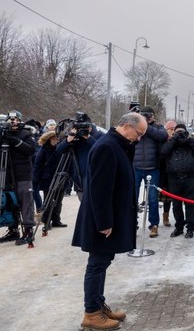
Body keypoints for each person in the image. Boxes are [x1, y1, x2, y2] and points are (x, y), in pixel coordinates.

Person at [72, 112, 147, 331]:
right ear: (127, 126)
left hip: (109, 217)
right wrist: (104, 222)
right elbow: (99, 189)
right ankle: (91, 313)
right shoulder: (107, 147)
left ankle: (98, 305)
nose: (139, 138)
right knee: (97, 264)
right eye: (139, 133)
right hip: (102, 220)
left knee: (103, 262)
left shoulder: (118, 145)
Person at [160, 124, 194, 239]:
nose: (180, 135)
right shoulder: (170, 143)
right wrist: (174, 139)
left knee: (189, 205)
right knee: (176, 205)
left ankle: (190, 228)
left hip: (189, 178)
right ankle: (179, 227)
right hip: (173, 178)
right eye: (177, 132)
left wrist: (188, 139)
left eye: (182, 132)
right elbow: (163, 152)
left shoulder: (191, 143)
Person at [0, 110, 37, 245]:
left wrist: (15, 141)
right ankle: (13, 229)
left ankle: (28, 231)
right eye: (10, 120)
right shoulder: (3, 134)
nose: (13, 122)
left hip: (23, 175)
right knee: (10, 202)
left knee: (26, 203)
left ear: (20, 121)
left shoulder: (26, 134)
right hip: (7, 176)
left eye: (16, 119)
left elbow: (31, 150)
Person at [131, 107, 167, 238]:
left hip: (153, 168)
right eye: (144, 115)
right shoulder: (135, 125)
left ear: (153, 116)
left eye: (149, 115)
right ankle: (132, 224)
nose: (147, 117)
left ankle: (154, 225)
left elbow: (163, 136)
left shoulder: (158, 127)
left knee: (152, 199)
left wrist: (146, 126)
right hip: (136, 167)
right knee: (132, 198)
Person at [56, 115, 100, 201]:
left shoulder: (98, 135)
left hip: (94, 178)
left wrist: (88, 137)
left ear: (90, 126)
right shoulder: (75, 138)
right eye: (79, 127)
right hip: (79, 180)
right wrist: (68, 140)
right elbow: (59, 150)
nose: (81, 129)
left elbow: (102, 150)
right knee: (83, 205)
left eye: (84, 127)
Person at [33, 130, 66, 228]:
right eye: (53, 139)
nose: (56, 141)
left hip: (59, 178)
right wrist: (35, 179)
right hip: (48, 179)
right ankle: (46, 220)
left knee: (58, 201)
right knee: (48, 201)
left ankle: (56, 220)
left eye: (56, 139)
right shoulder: (43, 150)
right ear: (48, 140)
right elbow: (37, 165)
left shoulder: (60, 149)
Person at [159, 120, 177, 228]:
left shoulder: (178, 140)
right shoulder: (162, 140)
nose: (172, 131)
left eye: (174, 129)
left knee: (171, 197)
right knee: (163, 196)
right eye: (170, 129)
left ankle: (168, 216)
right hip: (163, 171)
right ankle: (161, 217)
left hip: (174, 172)